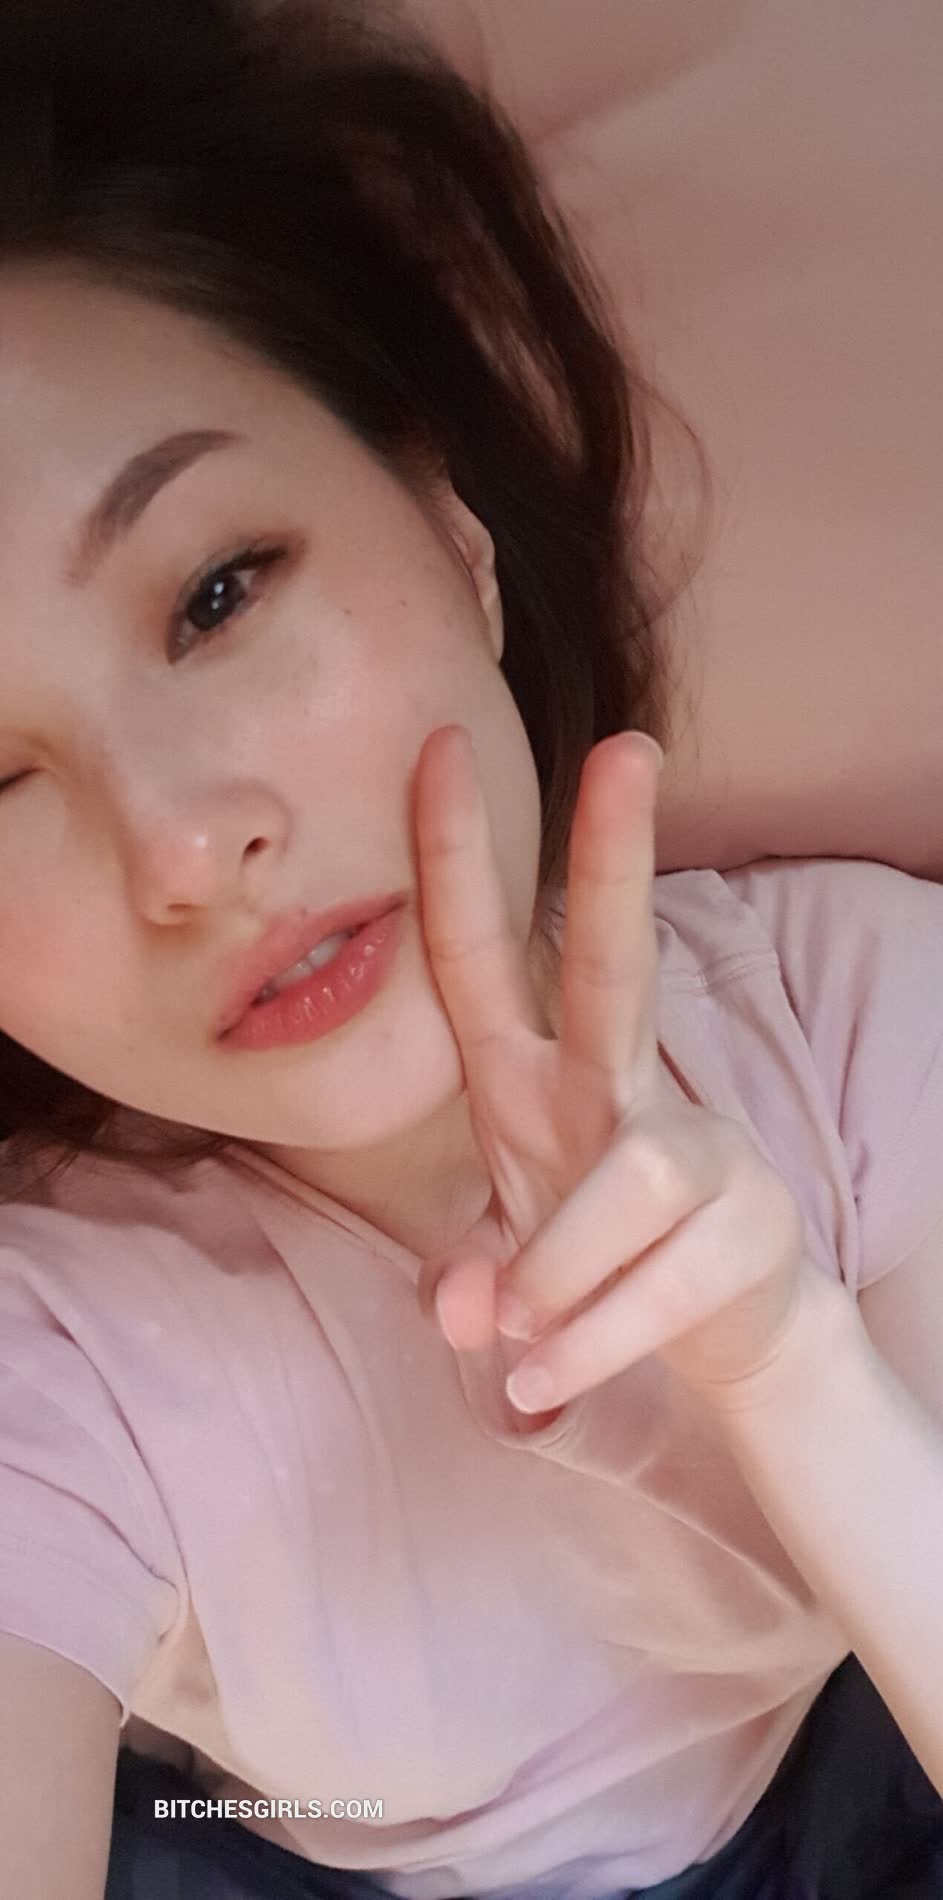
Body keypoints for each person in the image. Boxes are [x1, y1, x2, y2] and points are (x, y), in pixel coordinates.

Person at [0, 1, 942, 1896]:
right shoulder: (59, 1349)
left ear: (455, 530)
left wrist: (788, 1360)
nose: (185, 848)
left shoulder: (846, 1014)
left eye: (216, 593)